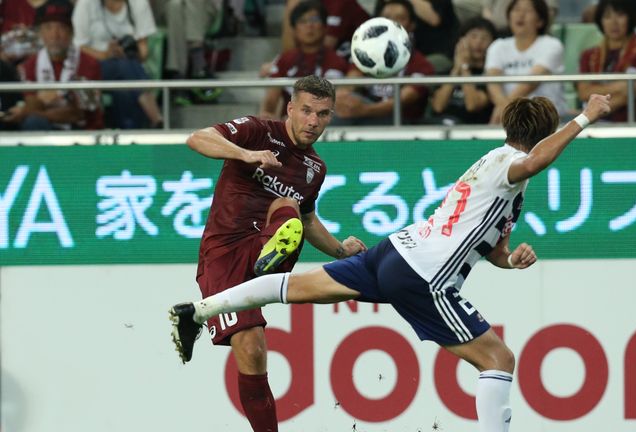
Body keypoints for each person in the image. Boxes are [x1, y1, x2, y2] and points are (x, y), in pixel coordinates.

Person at [170, 92, 611, 432]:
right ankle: (265, 247)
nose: (314, 121)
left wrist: (512, 260)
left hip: (394, 252)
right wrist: (586, 116)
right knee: (498, 360)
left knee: (297, 289)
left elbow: (494, 251)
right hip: (425, 276)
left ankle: (200, 310)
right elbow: (537, 159)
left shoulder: (498, 174)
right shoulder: (512, 162)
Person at [171, 75, 367, 432]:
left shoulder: (315, 168)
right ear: (290, 108)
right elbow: (196, 138)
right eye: (306, 111)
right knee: (253, 351)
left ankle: (268, 259)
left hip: (266, 246)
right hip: (225, 252)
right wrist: (244, 154)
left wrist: (341, 251)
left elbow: (307, 221)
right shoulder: (257, 131)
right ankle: (206, 310)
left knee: (290, 208)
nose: (313, 121)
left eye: (322, 114)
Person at [3, 0, 103, 131]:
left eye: (61, 28)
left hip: (82, 134)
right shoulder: (30, 65)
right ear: (40, 33)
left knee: (33, 119)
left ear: (71, 33)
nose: (54, 35)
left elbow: (79, 113)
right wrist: (37, 105)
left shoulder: (89, 63)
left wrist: (32, 110)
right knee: (33, 123)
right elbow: (32, 103)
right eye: (48, 27)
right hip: (46, 129)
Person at [333, 0, 435, 125]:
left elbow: (400, 101)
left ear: (411, 25)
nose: (390, 24)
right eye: (386, 18)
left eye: (399, 18)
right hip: (363, 118)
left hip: (401, 124)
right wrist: (342, 98)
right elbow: (350, 83)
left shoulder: (422, 65)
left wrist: (365, 110)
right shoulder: (366, 54)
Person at [72, 0, 163, 128]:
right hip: (95, 67)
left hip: (130, 66)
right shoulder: (86, 4)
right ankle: (155, 117)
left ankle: (129, 134)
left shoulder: (138, 3)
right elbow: (79, 47)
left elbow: (143, 52)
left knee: (124, 87)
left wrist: (128, 52)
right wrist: (106, 54)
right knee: (124, 67)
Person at [260, 1, 350, 120]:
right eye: (302, 21)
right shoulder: (284, 60)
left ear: (324, 27)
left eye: (314, 20)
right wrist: (268, 116)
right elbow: (270, 101)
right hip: (288, 126)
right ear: (294, 29)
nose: (309, 26)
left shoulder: (338, 61)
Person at [485, 0, 568, 124]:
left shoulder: (551, 45)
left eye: (528, 11)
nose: (520, 15)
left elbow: (529, 83)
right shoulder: (498, 46)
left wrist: (504, 109)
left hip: (545, 120)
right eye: (516, 10)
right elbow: (493, 83)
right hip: (511, 121)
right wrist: (505, 110)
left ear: (540, 21)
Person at [577, 0, 636, 122]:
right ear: (600, 21)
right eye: (607, 16)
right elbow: (583, 92)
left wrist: (593, 113)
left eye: (620, 15)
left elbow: (632, 92)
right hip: (590, 123)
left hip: (626, 126)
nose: (614, 23)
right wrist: (620, 86)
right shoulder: (589, 55)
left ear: (630, 17)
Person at [430, 16, 496, 125]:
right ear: (461, 41)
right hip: (439, 127)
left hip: (468, 131)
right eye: (473, 36)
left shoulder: (490, 75)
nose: (479, 42)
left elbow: (472, 105)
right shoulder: (445, 72)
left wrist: (465, 67)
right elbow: (438, 106)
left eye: (484, 38)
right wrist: (456, 70)